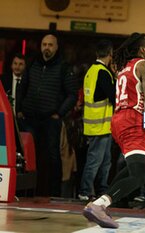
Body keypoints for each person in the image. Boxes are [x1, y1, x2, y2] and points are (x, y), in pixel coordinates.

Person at [82, 33, 145, 228]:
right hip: (131, 120)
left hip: (119, 120)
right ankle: (100, 204)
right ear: (142, 50)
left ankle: (102, 203)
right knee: (139, 174)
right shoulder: (144, 65)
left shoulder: (126, 68)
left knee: (134, 167)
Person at [17, 33, 77, 197]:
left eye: (50, 45)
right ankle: (26, 192)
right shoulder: (32, 63)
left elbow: (72, 95)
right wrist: (19, 110)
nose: (47, 48)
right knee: (28, 156)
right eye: (44, 44)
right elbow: (22, 87)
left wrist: (59, 113)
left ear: (56, 48)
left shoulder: (64, 67)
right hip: (29, 118)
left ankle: (54, 193)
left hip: (51, 118)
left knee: (52, 156)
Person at [78, 40, 115, 201]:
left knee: (104, 162)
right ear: (110, 54)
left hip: (96, 124)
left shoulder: (90, 71)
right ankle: (85, 191)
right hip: (100, 125)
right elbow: (113, 96)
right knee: (95, 161)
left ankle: (102, 191)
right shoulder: (103, 73)